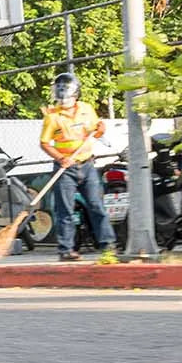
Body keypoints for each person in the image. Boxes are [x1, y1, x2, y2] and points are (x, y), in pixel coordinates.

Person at [38, 72, 116, 262]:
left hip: (87, 165)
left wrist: (100, 129)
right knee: (65, 209)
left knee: (96, 205)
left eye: (66, 92)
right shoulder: (52, 117)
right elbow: (45, 143)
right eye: (60, 92)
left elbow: (95, 131)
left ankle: (108, 246)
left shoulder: (87, 109)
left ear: (75, 94)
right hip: (65, 169)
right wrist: (60, 158)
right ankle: (66, 250)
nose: (63, 97)